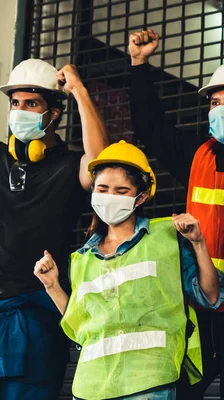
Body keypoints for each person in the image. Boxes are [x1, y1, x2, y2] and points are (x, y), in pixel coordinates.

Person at [128, 28, 224, 398]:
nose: (220, 109)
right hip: (198, 305)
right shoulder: (196, 154)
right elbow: (151, 127)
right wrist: (138, 64)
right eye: (215, 102)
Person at [33, 140, 223, 400]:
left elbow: (210, 296)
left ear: (141, 197)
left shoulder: (166, 237)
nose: (110, 196)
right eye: (103, 189)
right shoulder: (82, 259)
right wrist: (52, 285)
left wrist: (198, 243)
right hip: (92, 386)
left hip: (150, 382)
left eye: (121, 191)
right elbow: (80, 329)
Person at [0, 59, 108, 399]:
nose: (20, 111)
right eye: (15, 103)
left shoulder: (69, 166)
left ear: (53, 114)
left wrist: (77, 90)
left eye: (31, 103)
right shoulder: (2, 159)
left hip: (37, 312)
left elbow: (101, 161)